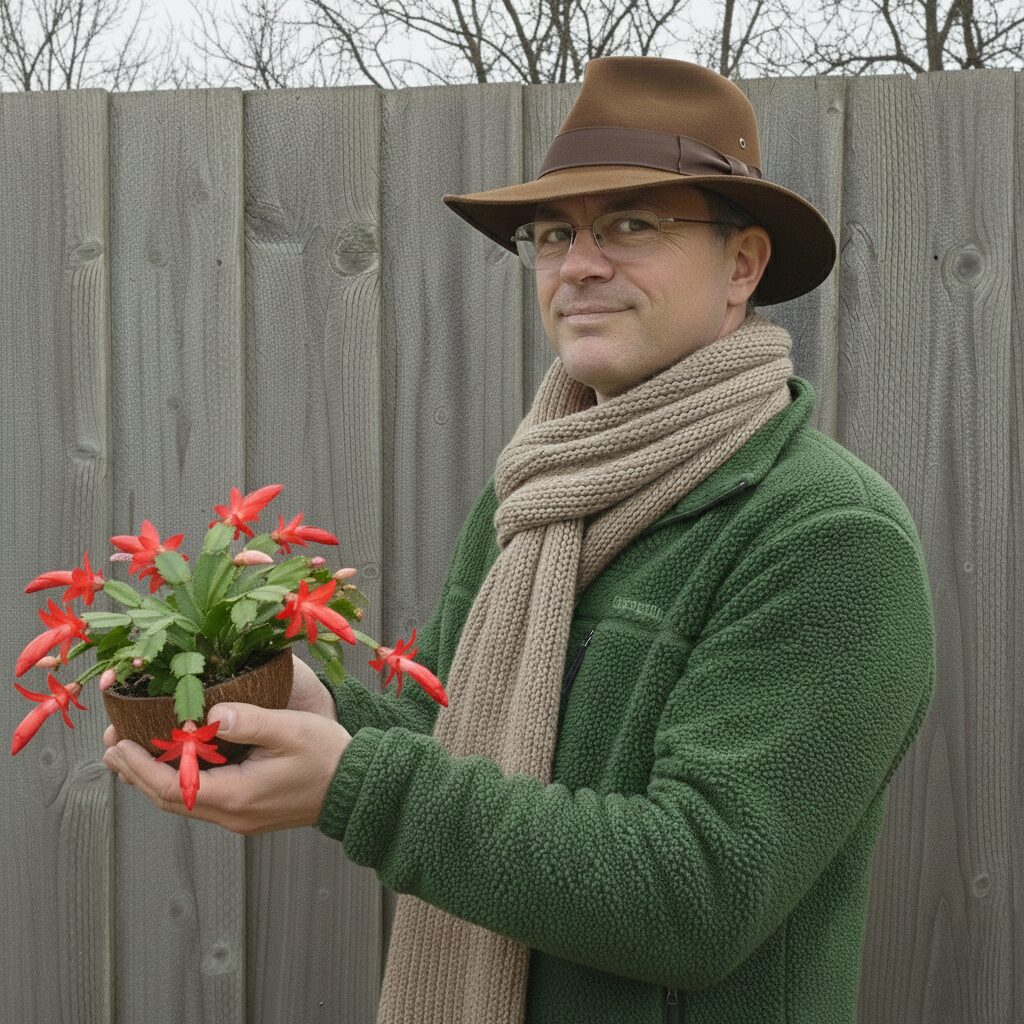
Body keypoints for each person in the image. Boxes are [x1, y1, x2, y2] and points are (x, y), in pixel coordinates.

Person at [103, 57, 936, 1024]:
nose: (578, 265)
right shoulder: (540, 492)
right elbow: (470, 752)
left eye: (632, 224)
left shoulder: (825, 536)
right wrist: (308, 703)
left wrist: (356, 786)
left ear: (742, 265)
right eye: (553, 234)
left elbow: (700, 892)